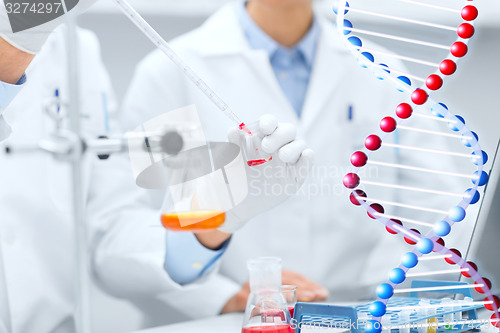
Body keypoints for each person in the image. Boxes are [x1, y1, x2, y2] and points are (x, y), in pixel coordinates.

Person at [118, 0, 461, 321]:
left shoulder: (381, 72)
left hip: (353, 311)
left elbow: (438, 214)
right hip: (218, 320)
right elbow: (127, 230)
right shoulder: (170, 72)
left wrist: (409, 308)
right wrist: (225, 296)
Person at [0, 2, 313, 331]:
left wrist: (210, 217)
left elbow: (110, 229)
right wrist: (12, 47)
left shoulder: (77, 52)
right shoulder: (164, 70)